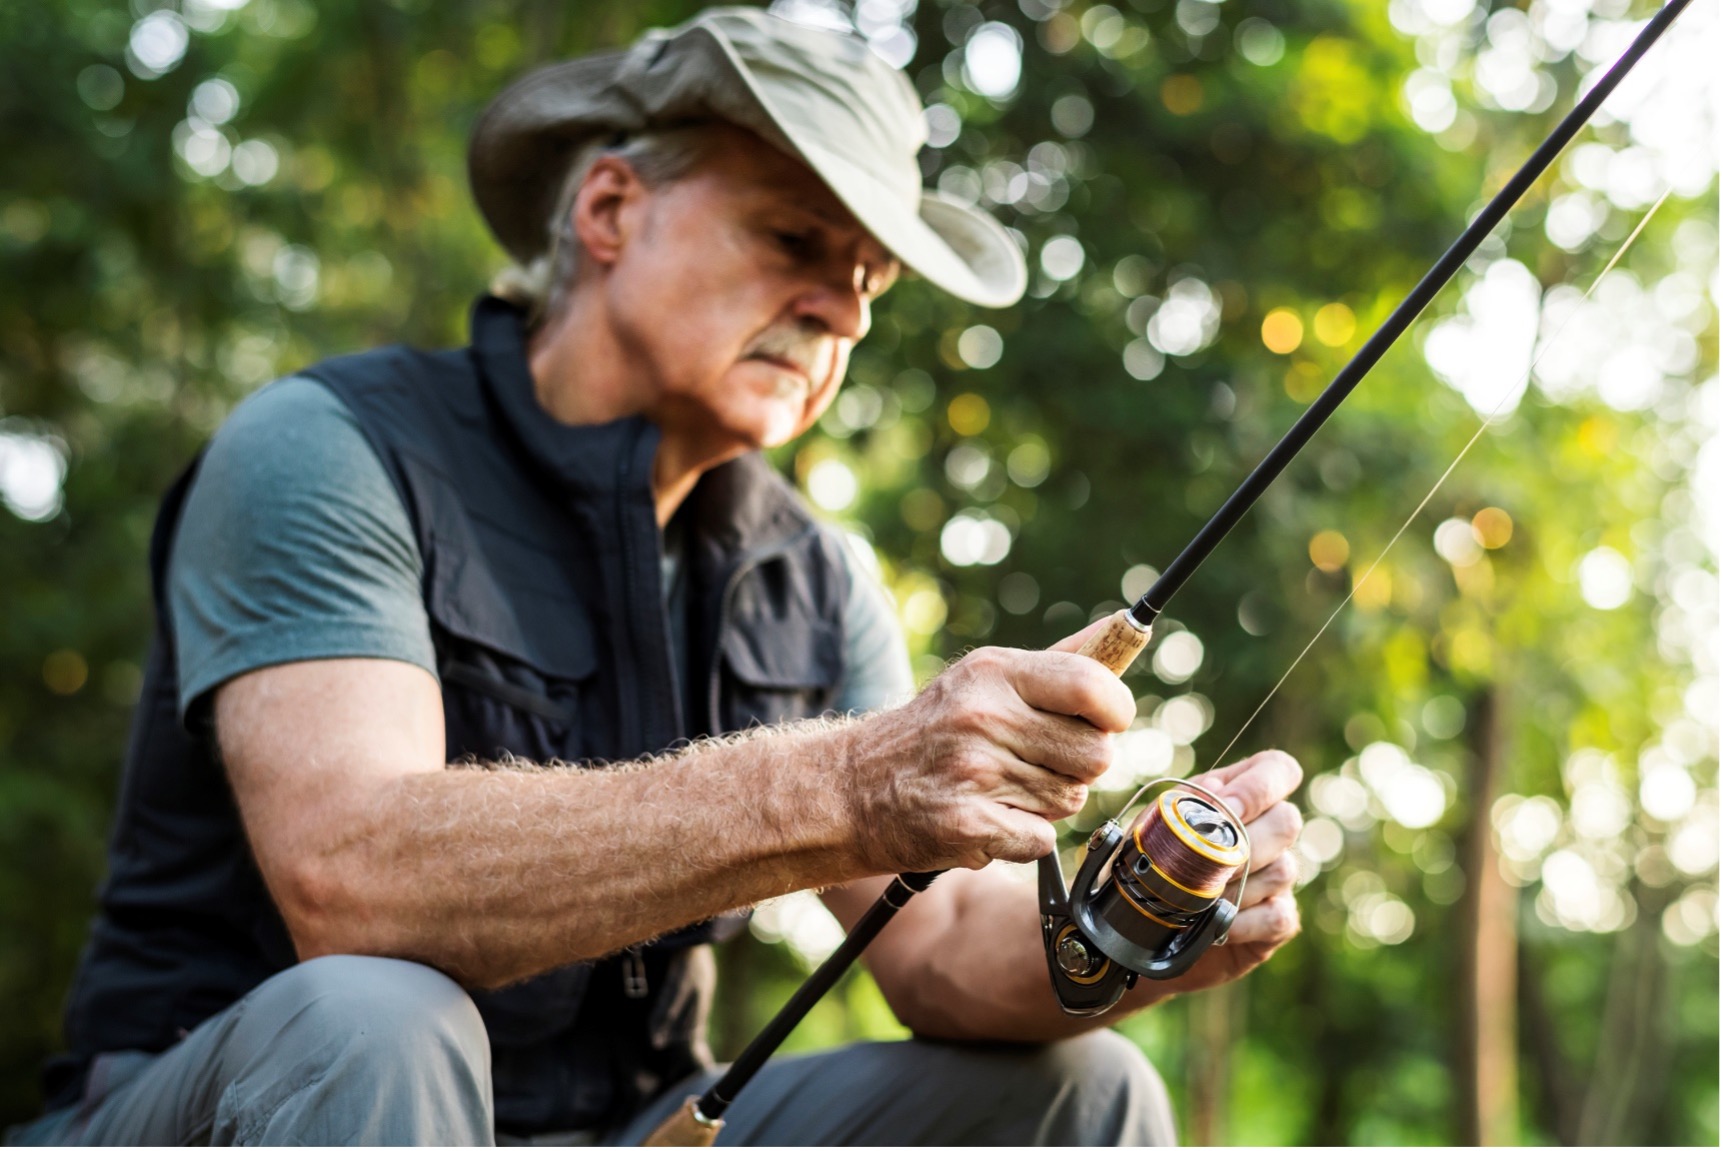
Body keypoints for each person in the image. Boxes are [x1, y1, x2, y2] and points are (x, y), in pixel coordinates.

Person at [13, 7, 1303, 1146]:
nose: (846, 312)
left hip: (643, 1126)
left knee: (1088, 1088)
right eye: (798, 238)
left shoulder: (814, 574)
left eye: (868, 279)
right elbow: (353, 881)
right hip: (237, 1106)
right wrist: (855, 780)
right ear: (611, 211)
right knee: (376, 1017)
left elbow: (950, 958)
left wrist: (1143, 931)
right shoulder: (330, 448)